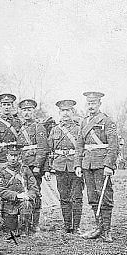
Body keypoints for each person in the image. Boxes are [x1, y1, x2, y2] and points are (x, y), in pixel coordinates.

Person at [74, 92, 118, 243]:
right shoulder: (84, 121)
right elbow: (79, 144)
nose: (90, 106)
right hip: (87, 164)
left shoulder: (107, 120)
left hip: (101, 164)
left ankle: (107, 230)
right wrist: (78, 164)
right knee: (93, 197)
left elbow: (113, 145)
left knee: (104, 197)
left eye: (93, 103)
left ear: (99, 104)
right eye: (88, 103)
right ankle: (98, 227)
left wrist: (109, 165)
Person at [45, 100, 84, 234]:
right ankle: (68, 225)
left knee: (77, 197)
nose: (65, 113)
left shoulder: (79, 129)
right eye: (63, 111)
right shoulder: (55, 130)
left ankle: (77, 226)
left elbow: (82, 148)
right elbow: (48, 149)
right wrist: (48, 168)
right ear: (59, 113)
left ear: (73, 112)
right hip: (60, 166)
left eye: (68, 110)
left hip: (75, 166)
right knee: (64, 197)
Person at [16, 99, 49, 233]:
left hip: (34, 166)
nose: (26, 112)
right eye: (24, 110)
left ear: (33, 111)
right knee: (23, 192)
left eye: (29, 110)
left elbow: (43, 148)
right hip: (23, 165)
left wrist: (37, 166)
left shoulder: (38, 127)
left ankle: (35, 223)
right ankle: (25, 222)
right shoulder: (20, 128)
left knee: (35, 192)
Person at [0, 143, 38, 237]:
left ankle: (24, 229)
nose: (13, 158)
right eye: (11, 155)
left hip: (23, 201)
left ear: (19, 156)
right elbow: (1, 190)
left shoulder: (25, 169)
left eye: (15, 155)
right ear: (7, 156)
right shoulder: (2, 170)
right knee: (10, 229)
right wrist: (17, 195)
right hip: (9, 203)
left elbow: (34, 187)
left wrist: (28, 196)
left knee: (26, 205)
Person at [0, 93, 21, 171]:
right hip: (0, 157)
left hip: (14, 157)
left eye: (8, 104)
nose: (6, 107)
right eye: (4, 104)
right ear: (1, 106)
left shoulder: (18, 122)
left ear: (12, 106)